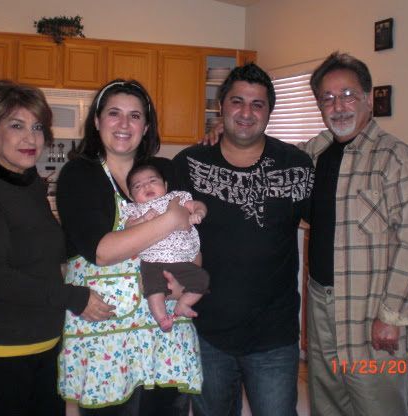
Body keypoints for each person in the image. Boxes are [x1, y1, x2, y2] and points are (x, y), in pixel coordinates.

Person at [0, 80, 113, 416]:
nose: (31, 138)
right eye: (16, 126)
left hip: (44, 344)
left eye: (37, 127)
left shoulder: (29, 183)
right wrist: (73, 297)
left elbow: (46, 252)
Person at [172, 63, 314, 416]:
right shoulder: (188, 163)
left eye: (257, 104)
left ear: (269, 112)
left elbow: (326, 225)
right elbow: (166, 240)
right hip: (206, 331)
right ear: (221, 106)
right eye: (237, 102)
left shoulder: (296, 165)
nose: (246, 113)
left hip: (273, 336)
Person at [56, 79, 203, 415]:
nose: (124, 124)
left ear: (146, 126)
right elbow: (101, 251)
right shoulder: (79, 175)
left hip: (164, 331)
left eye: (135, 116)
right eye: (114, 113)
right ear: (97, 121)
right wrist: (171, 218)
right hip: (107, 334)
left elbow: (192, 239)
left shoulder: (164, 171)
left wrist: (186, 279)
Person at [300, 52, 408, 416]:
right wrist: (224, 137)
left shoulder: (395, 157)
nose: (338, 106)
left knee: (378, 406)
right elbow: (268, 159)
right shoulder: (316, 153)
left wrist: (392, 316)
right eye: (327, 98)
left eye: (348, 95)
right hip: (321, 304)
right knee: (328, 405)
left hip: (370, 309)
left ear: (368, 98)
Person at [122, 163, 209, 332]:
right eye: (138, 186)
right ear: (131, 196)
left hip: (181, 258)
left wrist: (199, 212)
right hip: (152, 260)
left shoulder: (176, 198)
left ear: (166, 185)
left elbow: (197, 205)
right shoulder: (136, 209)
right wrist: (143, 219)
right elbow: (128, 228)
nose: (146, 186)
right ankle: (161, 318)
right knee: (154, 291)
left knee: (202, 279)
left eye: (152, 181)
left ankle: (183, 304)